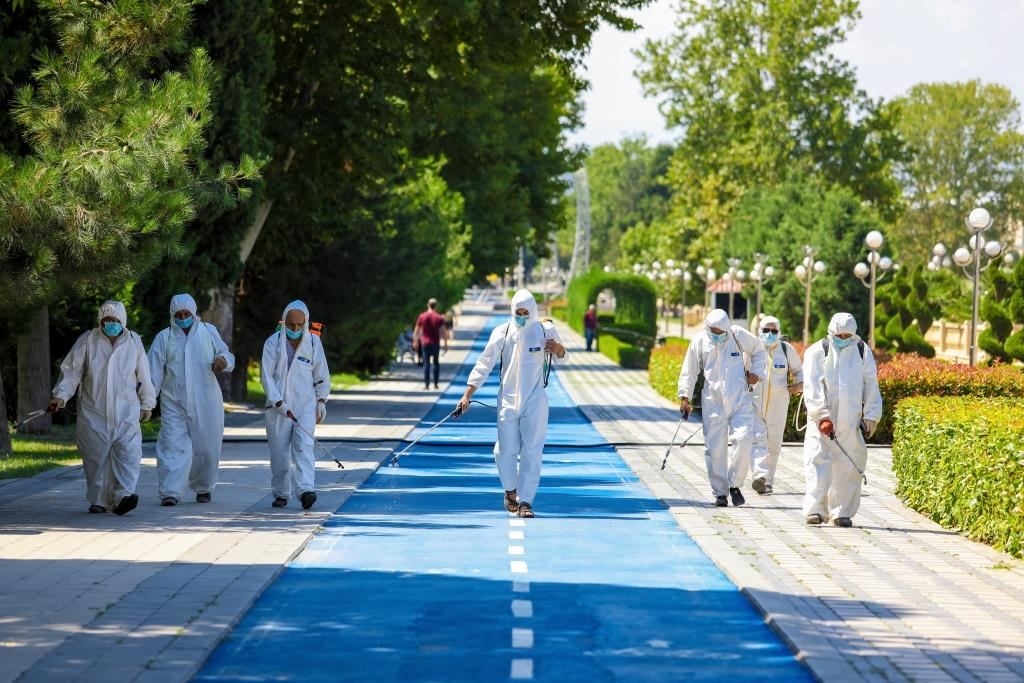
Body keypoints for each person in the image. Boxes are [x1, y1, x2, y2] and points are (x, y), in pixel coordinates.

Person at [456, 289, 567, 518]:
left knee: (532, 451)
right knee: (505, 450)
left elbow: (564, 356)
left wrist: (559, 349)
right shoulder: (503, 332)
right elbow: (484, 363)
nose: (522, 315)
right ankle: (510, 490)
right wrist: (468, 394)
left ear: (534, 310)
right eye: (519, 311)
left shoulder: (544, 330)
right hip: (506, 401)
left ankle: (526, 502)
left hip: (535, 400)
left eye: (527, 311)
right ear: (513, 310)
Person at [48, 301, 156, 515]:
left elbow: (144, 375)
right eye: (106, 321)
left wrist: (147, 403)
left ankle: (123, 496)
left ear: (123, 322)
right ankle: (99, 500)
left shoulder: (133, 342)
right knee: (96, 459)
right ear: (100, 321)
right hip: (94, 412)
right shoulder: (88, 341)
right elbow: (72, 372)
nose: (110, 324)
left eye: (115, 321)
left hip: (126, 411)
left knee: (128, 454)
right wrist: (61, 396)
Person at [147, 294, 235, 506]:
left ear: (194, 313)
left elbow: (226, 353)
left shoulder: (208, 331)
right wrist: (147, 403)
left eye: (187, 314)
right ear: (172, 315)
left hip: (207, 402)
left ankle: (203, 487)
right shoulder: (164, 338)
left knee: (207, 448)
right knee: (172, 446)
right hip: (173, 403)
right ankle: (170, 492)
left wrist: (222, 361)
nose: (183, 318)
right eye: (179, 315)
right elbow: (153, 374)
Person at [677, 309, 765, 507]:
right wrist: (685, 396)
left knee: (744, 439)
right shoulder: (700, 341)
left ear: (728, 329)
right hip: (713, 401)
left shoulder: (738, 335)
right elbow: (689, 370)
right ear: (707, 328)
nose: (717, 335)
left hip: (740, 399)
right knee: (714, 448)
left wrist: (757, 373)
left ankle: (734, 485)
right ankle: (720, 493)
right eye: (713, 331)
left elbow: (759, 351)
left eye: (721, 332)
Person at [801, 312, 883, 527]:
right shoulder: (817, 351)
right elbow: (812, 386)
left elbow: (871, 383)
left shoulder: (862, 351)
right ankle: (815, 510)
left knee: (850, 464)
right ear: (831, 332)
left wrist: (871, 415)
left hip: (850, 421)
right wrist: (821, 415)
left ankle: (842, 512)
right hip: (822, 422)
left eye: (848, 335)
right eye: (839, 334)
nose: (843, 338)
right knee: (817, 462)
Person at [261, 300, 330, 510]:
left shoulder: (313, 343)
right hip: (278, 408)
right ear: (284, 322)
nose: (296, 329)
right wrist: (278, 401)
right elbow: (266, 376)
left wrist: (321, 401)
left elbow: (321, 374)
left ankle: (306, 490)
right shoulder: (272, 343)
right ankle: (281, 493)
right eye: (291, 325)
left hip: (305, 405)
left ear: (306, 323)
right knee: (279, 452)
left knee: (304, 448)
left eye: (300, 325)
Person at [749, 316, 803, 495]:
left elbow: (798, 371)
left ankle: (767, 481)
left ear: (779, 332)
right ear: (760, 331)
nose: (769, 334)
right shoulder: (752, 349)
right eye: (766, 330)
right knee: (757, 440)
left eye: (773, 331)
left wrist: (798, 385)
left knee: (773, 443)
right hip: (754, 403)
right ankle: (759, 475)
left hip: (778, 405)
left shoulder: (786, 350)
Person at [414, 297, 448, 390]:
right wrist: (445, 345)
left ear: (428, 305)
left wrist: (415, 341)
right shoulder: (439, 317)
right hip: (435, 343)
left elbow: (416, 330)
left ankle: (426, 384)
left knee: (426, 363)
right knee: (436, 363)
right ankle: (436, 384)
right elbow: (443, 332)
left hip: (425, 343)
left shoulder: (422, 316)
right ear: (436, 306)